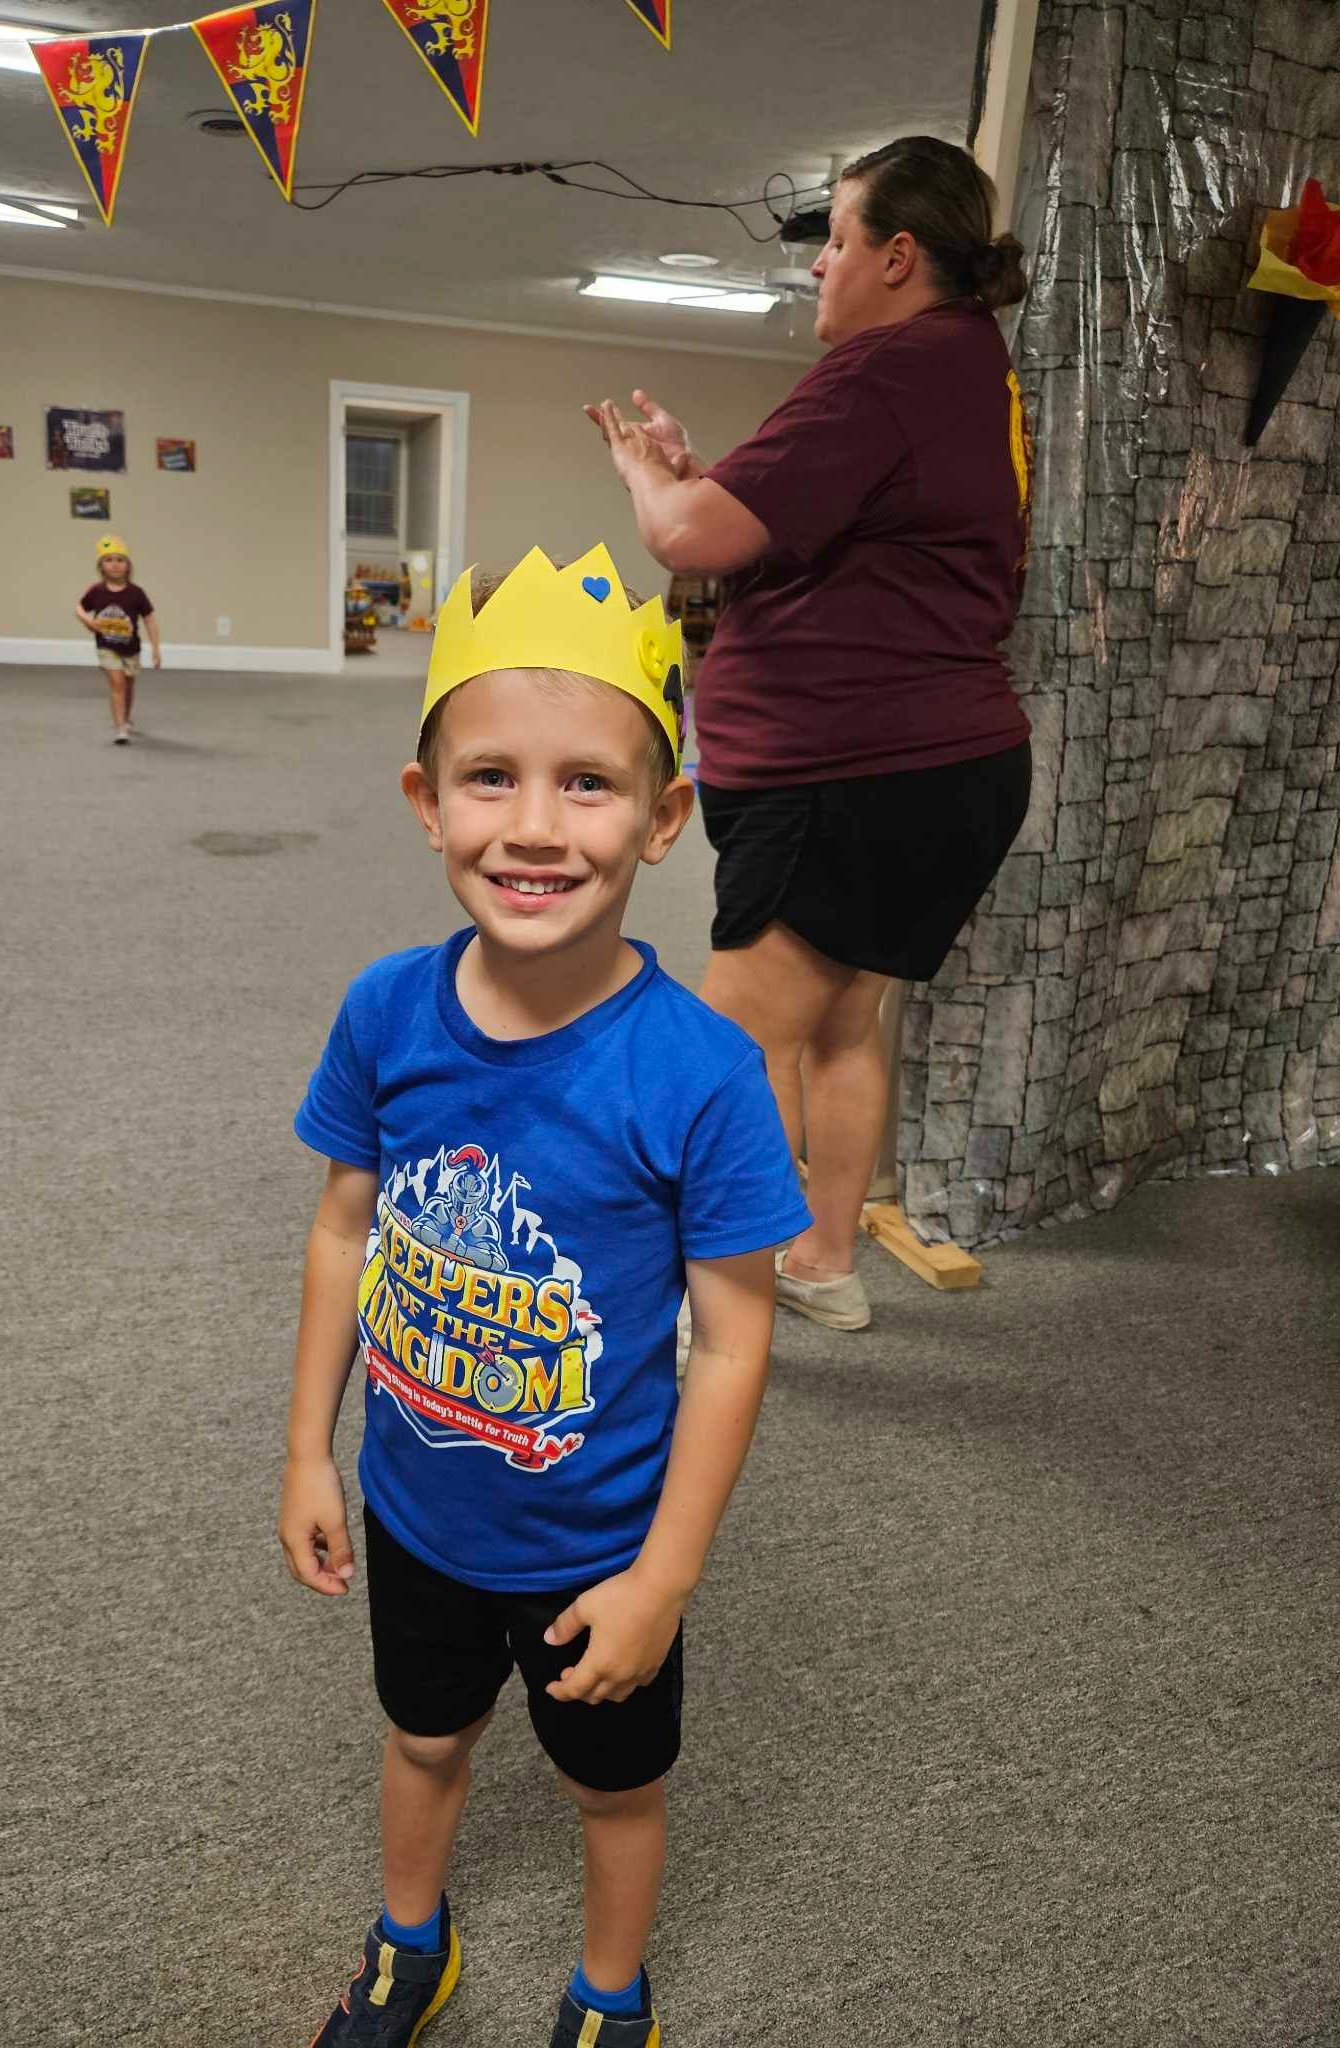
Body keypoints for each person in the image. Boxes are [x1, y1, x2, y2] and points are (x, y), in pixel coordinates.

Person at [278, 544, 811, 2047]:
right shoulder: (387, 1011)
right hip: (419, 1512)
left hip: (601, 1545)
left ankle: (609, 1990)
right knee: (422, 1737)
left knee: (614, 1787)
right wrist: (310, 1447)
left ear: (663, 819)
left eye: (586, 785)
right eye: (491, 778)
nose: (532, 826)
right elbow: (341, 1232)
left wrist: (666, 1579)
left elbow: (735, 1334)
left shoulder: (700, 1072)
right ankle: (409, 1943)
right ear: (424, 802)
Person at [588, 134, 1034, 1336]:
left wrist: (647, 477)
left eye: (836, 241)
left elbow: (689, 541)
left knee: (720, 1048)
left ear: (898, 255)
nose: (820, 267)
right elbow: (792, 526)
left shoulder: (884, 372)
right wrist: (697, 480)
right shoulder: (965, 367)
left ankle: (676, 1313)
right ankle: (821, 1259)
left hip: (854, 768)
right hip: (941, 764)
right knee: (842, 1024)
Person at [75, 534, 160, 745]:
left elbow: (149, 620)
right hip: (106, 646)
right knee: (117, 682)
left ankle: (127, 717)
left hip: (131, 648)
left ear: (128, 566)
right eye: (109, 560)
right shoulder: (96, 591)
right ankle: (120, 727)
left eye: (120, 560)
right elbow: (79, 607)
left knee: (128, 685)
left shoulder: (136, 593)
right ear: (101, 566)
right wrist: (88, 621)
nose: (115, 565)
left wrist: (156, 648)